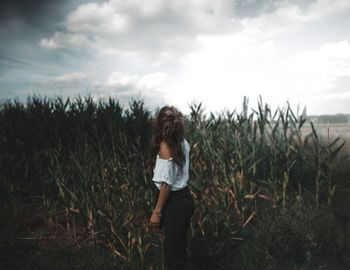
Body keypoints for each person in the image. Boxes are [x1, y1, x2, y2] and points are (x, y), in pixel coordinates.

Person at [149, 105, 195, 270]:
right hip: (184, 199)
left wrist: (157, 212)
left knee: (174, 258)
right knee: (178, 251)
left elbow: (166, 185)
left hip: (174, 203)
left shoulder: (166, 147)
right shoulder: (181, 141)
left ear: (159, 125)